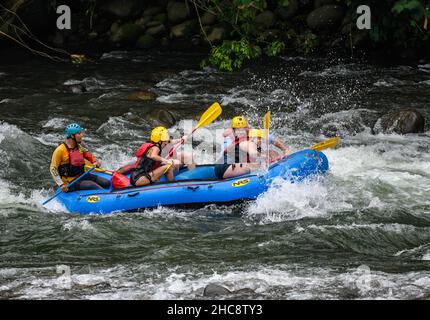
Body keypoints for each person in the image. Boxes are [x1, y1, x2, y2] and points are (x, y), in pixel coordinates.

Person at [50, 123, 110, 192]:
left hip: (82, 175)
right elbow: (53, 168)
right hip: (70, 182)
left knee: (106, 183)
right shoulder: (60, 150)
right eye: (79, 133)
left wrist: (95, 161)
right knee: (92, 185)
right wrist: (61, 184)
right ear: (72, 136)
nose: (82, 135)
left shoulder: (79, 147)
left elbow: (89, 155)